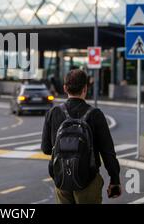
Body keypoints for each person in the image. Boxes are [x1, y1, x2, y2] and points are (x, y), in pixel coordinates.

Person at [41, 69, 121, 204]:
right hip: (88, 181)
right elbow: (108, 152)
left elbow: (46, 149)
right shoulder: (95, 114)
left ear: (65, 88)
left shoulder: (53, 113)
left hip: (62, 180)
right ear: (85, 88)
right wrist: (115, 180)